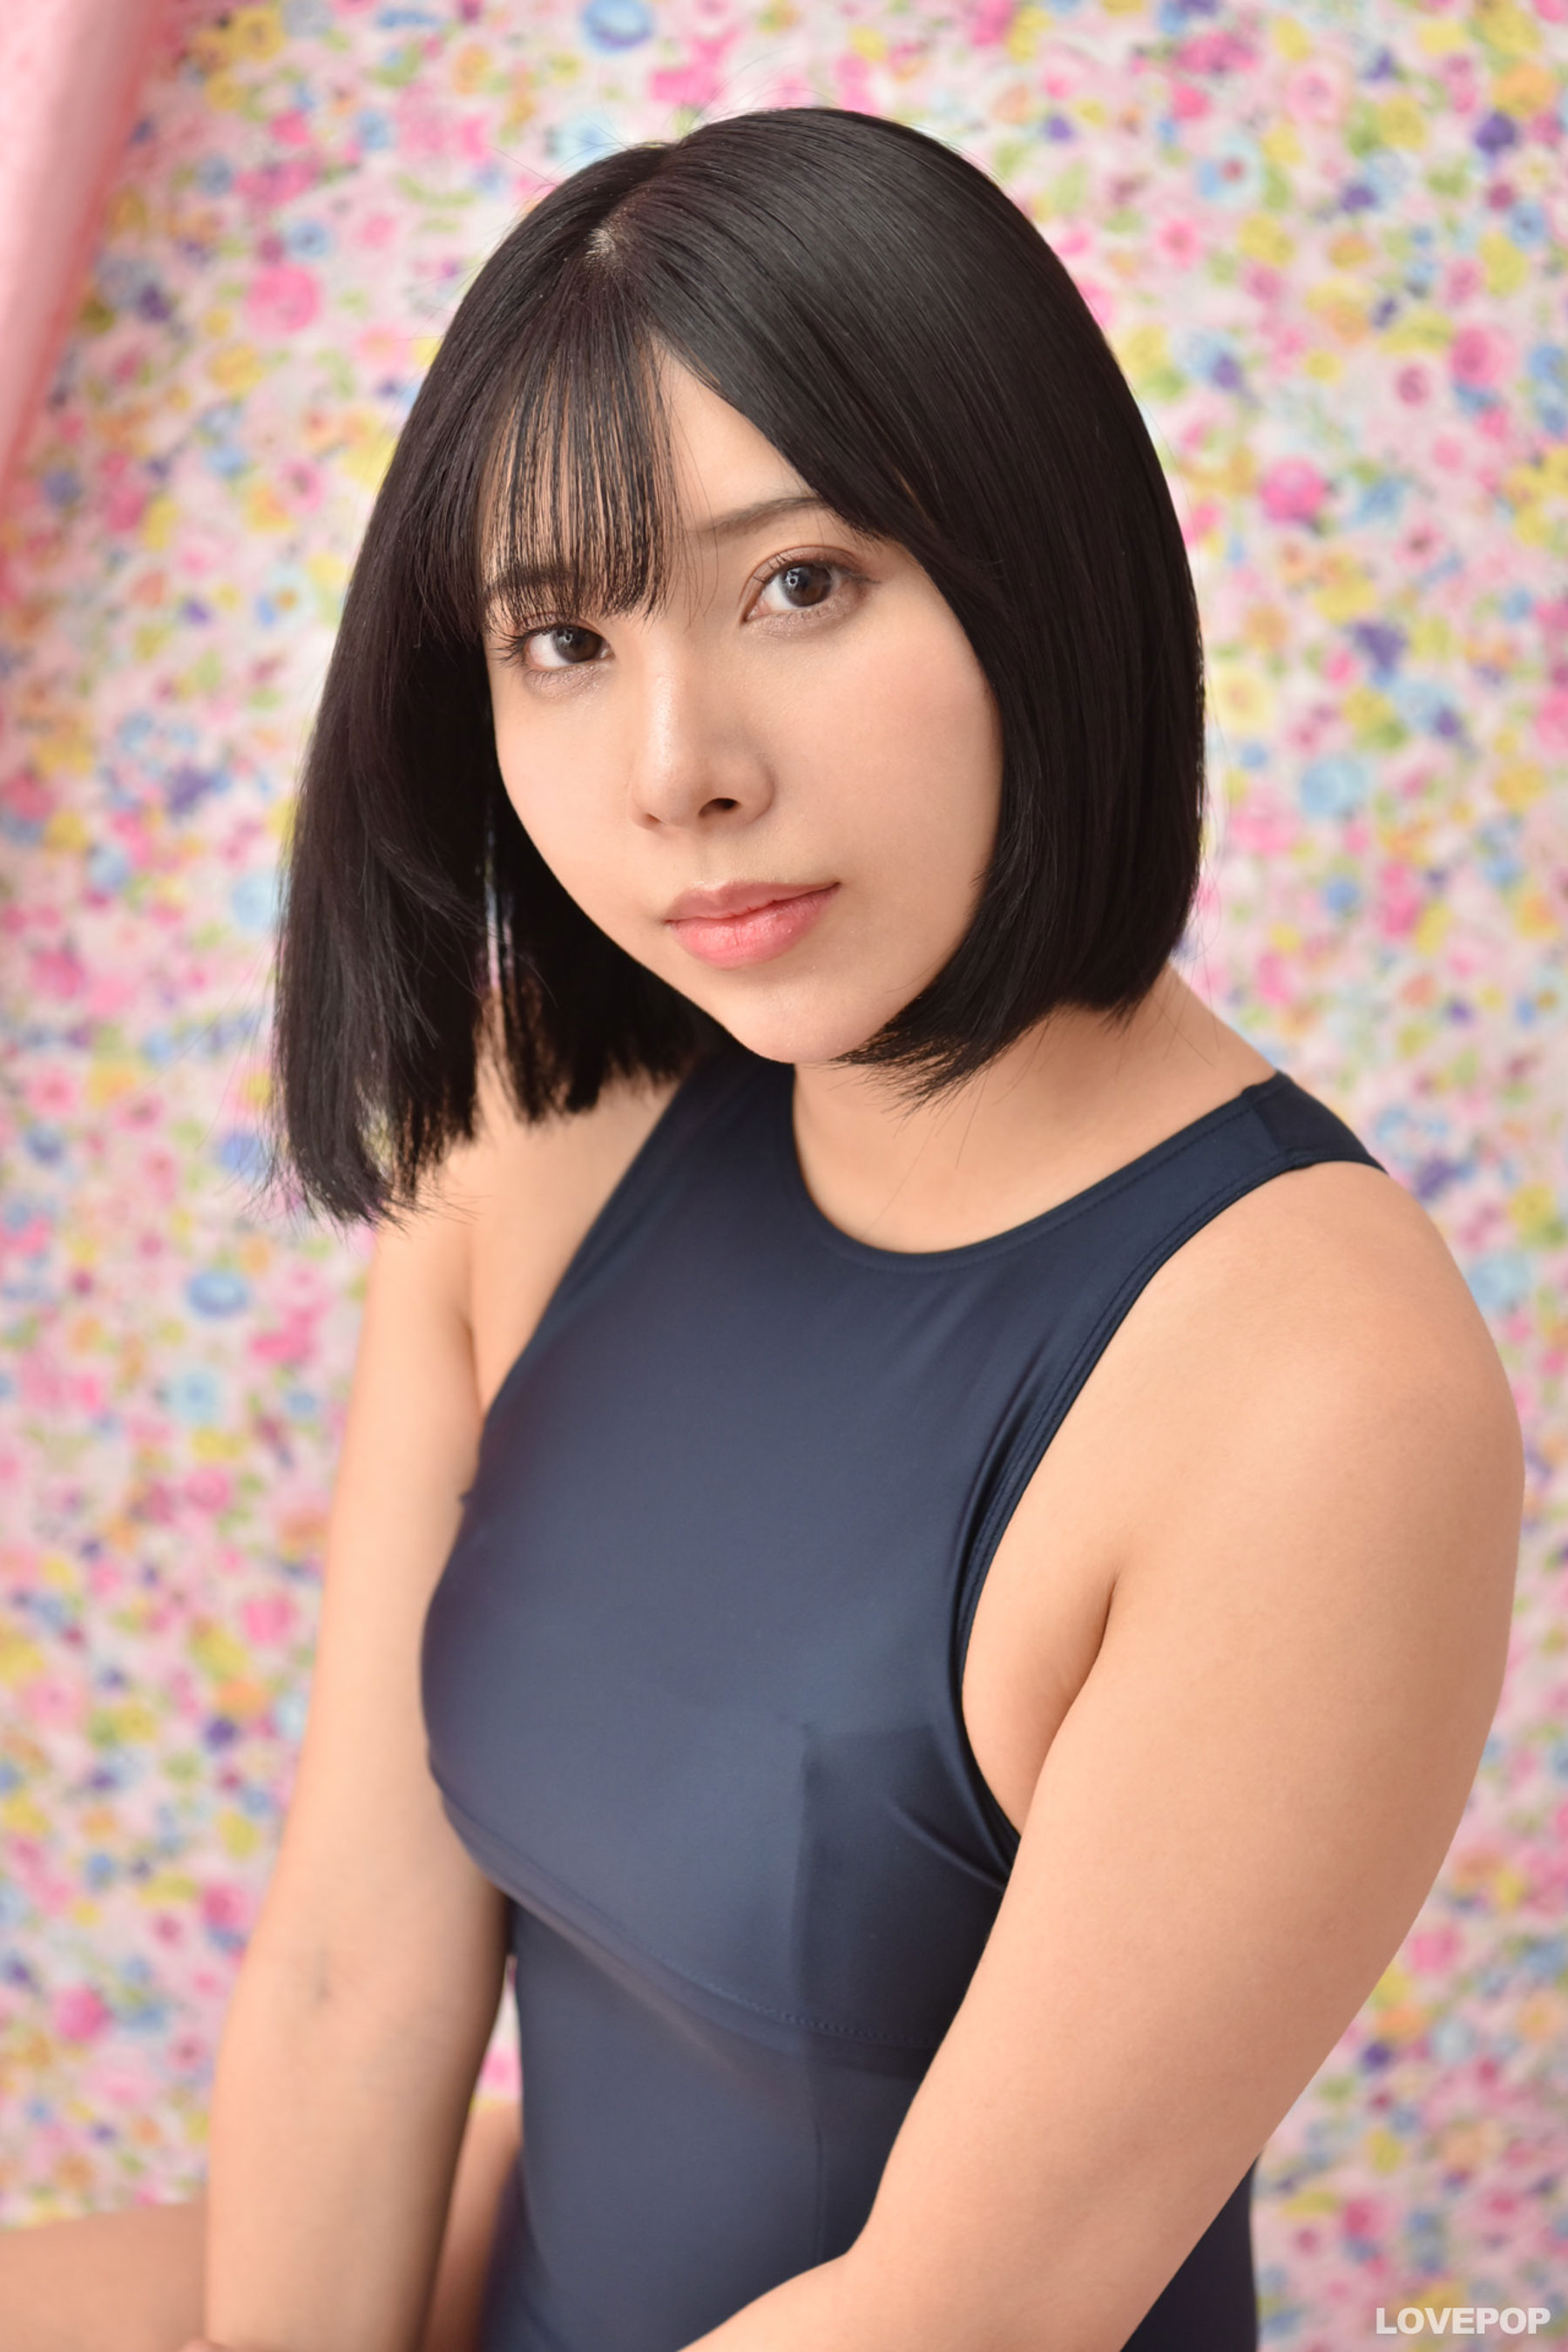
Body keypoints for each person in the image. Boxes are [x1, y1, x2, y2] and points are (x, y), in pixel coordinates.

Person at [0, 105, 1523, 2352]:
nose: (678, 770)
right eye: (564, 638)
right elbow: (351, 1967)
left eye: (799, 584)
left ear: (1035, 567)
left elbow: (962, 2310)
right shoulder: (548, 1119)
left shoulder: (1317, 1387)